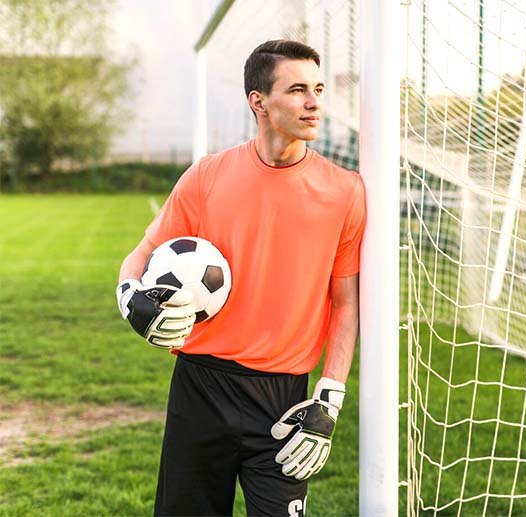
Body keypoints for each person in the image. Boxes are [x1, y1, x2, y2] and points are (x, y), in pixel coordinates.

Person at [115, 39, 366, 516]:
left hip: (282, 402)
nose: (314, 101)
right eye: (296, 89)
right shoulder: (206, 177)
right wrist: (131, 297)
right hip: (200, 387)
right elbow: (140, 256)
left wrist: (329, 400)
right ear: (259, 102)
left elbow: (346, 302)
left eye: (317, 88)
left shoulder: (345, 191)